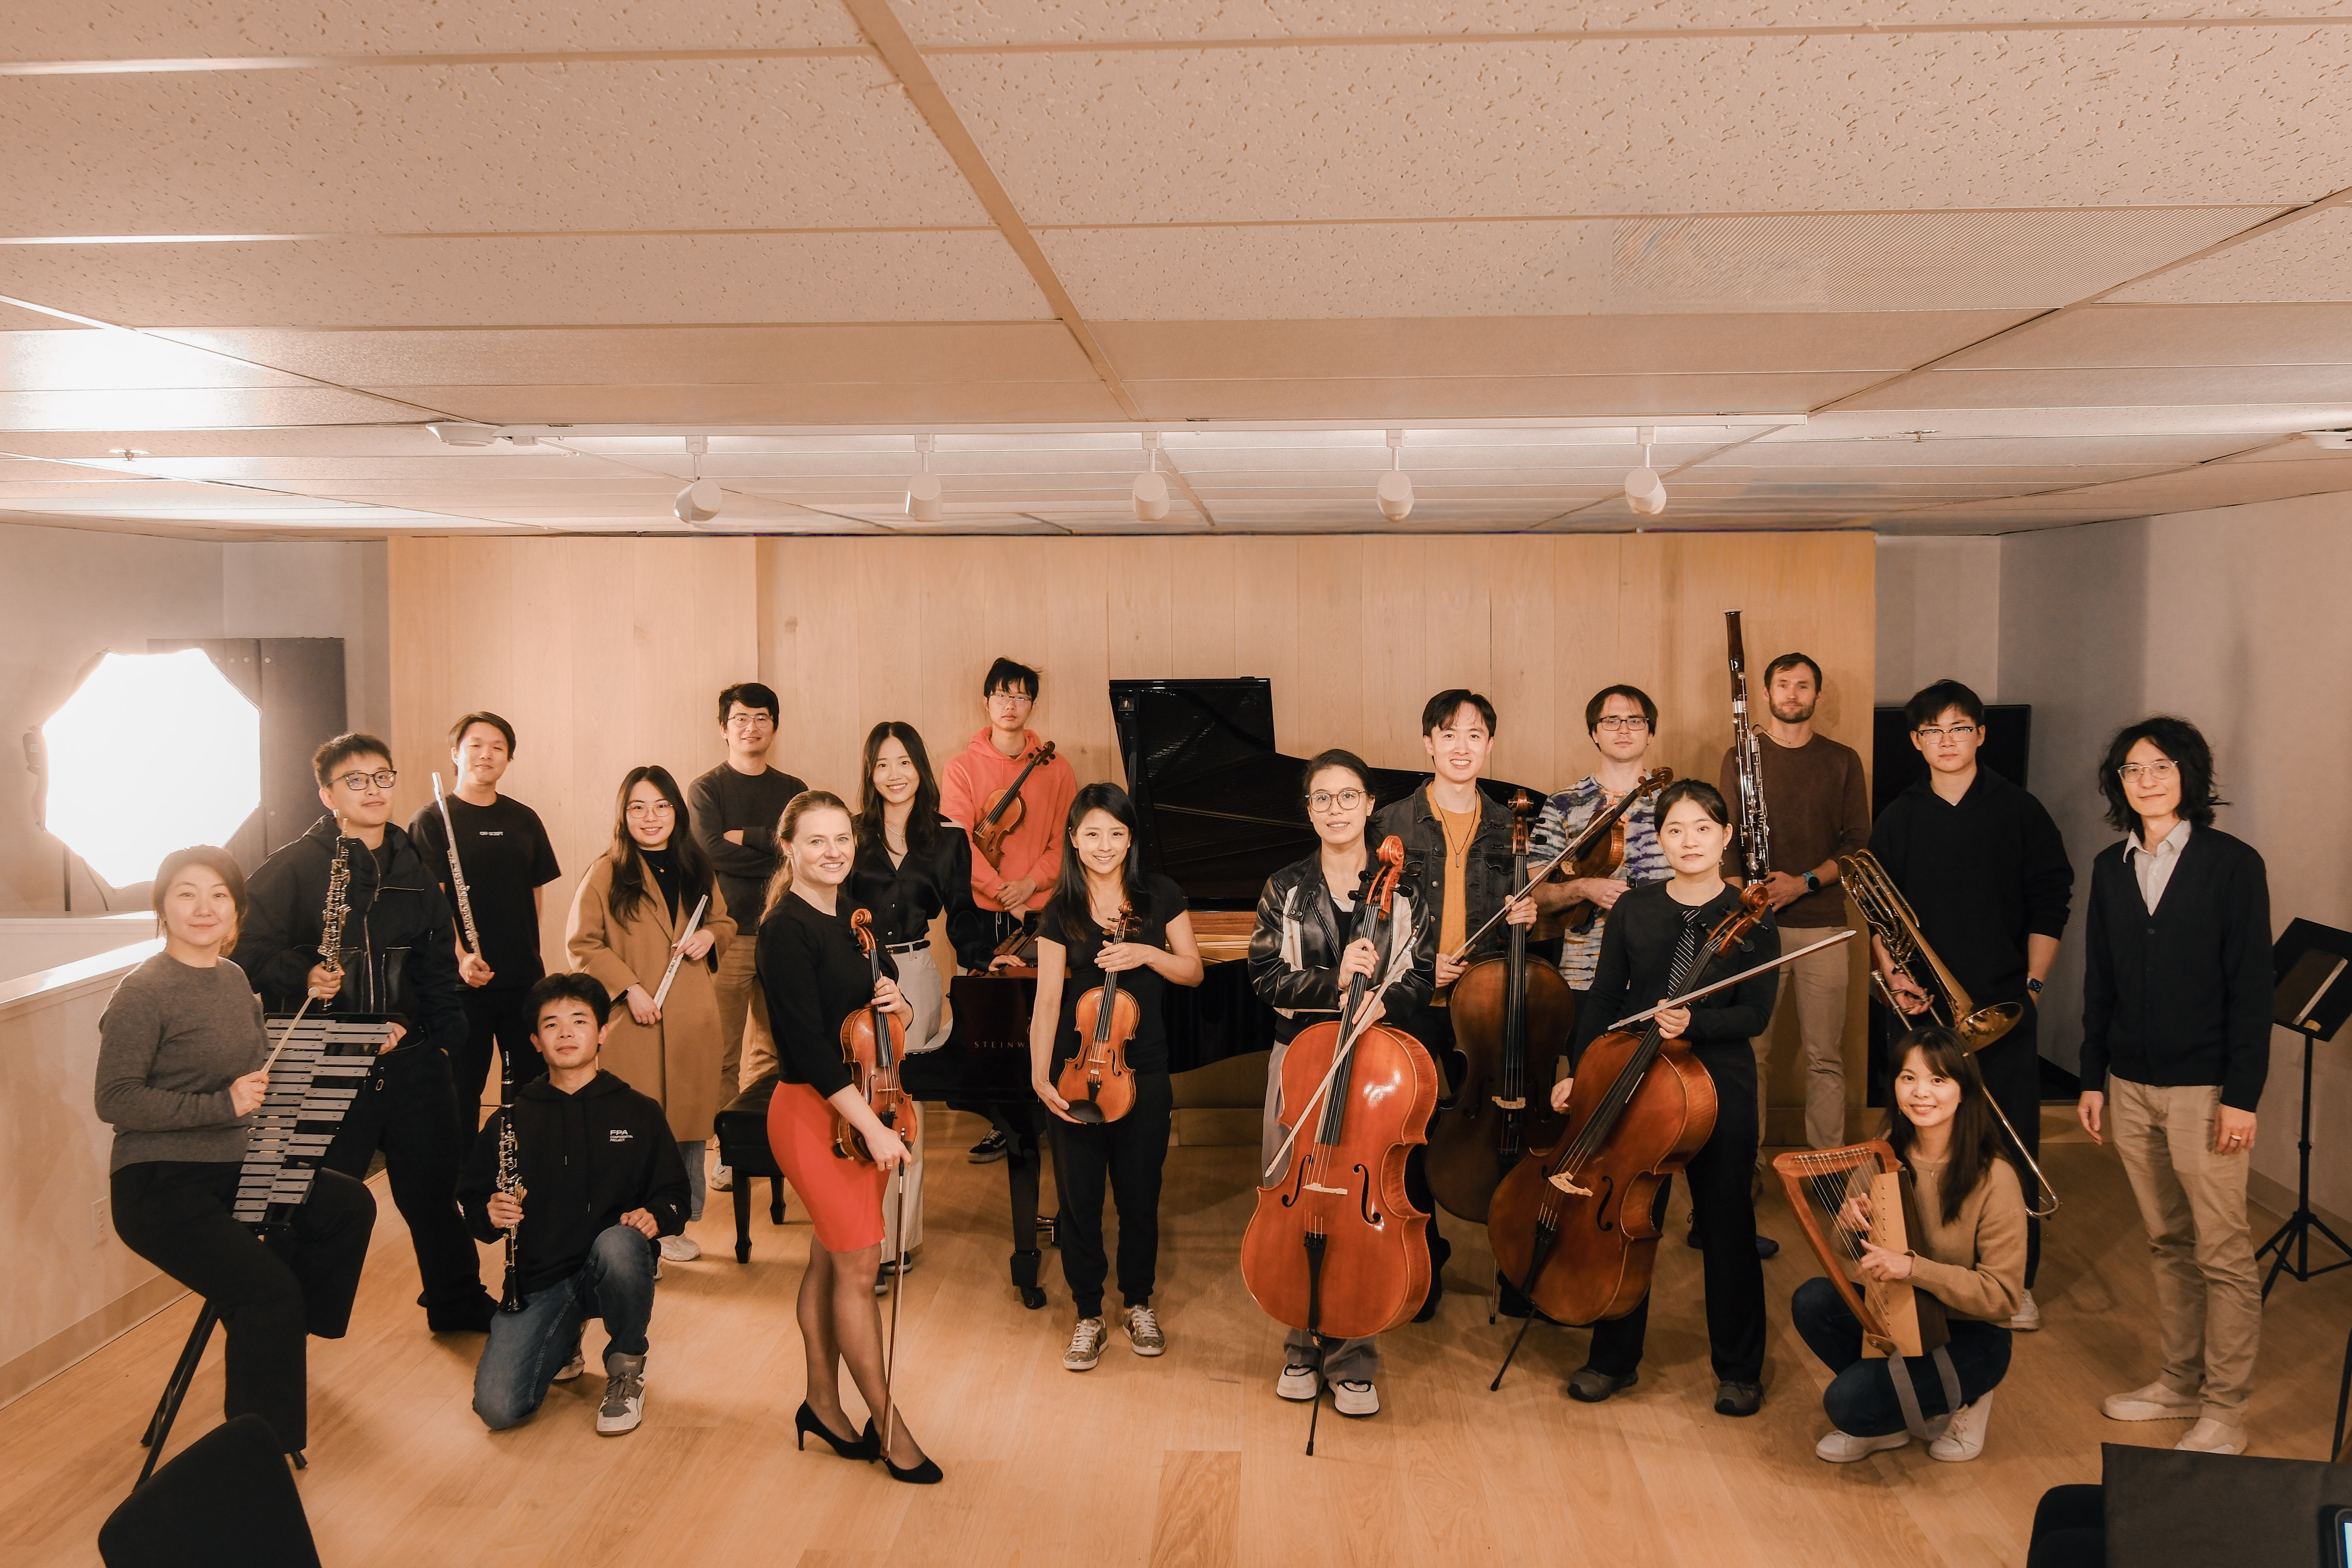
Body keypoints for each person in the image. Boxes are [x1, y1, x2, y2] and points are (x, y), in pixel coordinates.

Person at [96, 846, 376, 1460]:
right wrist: (221, 1106)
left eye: (219, 895)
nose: (204, 908)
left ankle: (278, 1330)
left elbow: (252, 1075)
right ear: (163, 908)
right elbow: (115, 1101)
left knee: (348, 1206)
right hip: (159, 1185)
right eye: (187, 894)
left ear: (236, 912)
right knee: (265, 1292)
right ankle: (257, 1461)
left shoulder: (234, 981)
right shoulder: (142, 992)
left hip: (234, 1167)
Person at [239, 733, 497, 1333]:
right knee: (311, 1197)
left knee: (434, 1190)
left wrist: (422, 1030)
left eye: (382, 777)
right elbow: (245, 947)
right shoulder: (293, 869)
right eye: (356, 780)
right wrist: (300, 972)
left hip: (408, 1061)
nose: (373, 790)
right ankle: (283, 1319)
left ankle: (457, 1301)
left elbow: (435, 970)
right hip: (323, 1062)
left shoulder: (414, 866)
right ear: (328, 794)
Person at [1552, 779, 1780, 1416]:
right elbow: (1604, 995)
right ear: (1660, 838)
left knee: (1727, 1226)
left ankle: (1739, 1370)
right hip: (1640, 1081)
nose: (1689, 842)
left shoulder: (1752, 915)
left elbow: (1755, 1016)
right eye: (1675, 830)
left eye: (1703, 830)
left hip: (1719, 1087)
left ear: (1726, 837)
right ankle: (1613, 1361)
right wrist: (1581, 1067)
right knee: (1630, 1220)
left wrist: (1695, 1025)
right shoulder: (1636, 908)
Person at [2077, 717, 2272, 1457]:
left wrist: (2244, 1096)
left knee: (2222, 1251)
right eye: (2132, 769)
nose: (2148, 779)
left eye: (2162, 766)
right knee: (2167, 1243)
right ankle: (2179, 1383)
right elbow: (2102, 981)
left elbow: (2252, 988)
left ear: (2190, 775)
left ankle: (2226, 1409)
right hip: (2128, 1085)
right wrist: (2091, 1077)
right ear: (2119, 785)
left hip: (2207, 1089)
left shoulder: (2232, 864)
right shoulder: (2109, 865)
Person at [1869, 679, 2073, 1332]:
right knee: (1919, 1138)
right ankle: (1923, 1267)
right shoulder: (1899, 814)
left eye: (1959, 729)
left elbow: (2052, 899)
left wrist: (2034, 986)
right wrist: (1892, 975)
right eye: (1932, 731)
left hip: (2003, 1005)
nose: (1946, 742)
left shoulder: (2020, 810)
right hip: (1925, 1014)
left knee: (2010, 1142)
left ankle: (2016, 1282)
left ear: (1981, 735)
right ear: (1915, 742)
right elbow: (1880, 910)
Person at [758, 790, 941, 1483]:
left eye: (841, 839)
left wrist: (900, 998)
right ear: (790, 849)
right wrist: (876, 1130)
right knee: (860, 1271)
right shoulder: (786, 928)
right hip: (814, 1116)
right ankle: (889, 1426)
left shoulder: (850, 920)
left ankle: (822, 1405)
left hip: (859, 1110)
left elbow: (880, 1011)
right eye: (816, 841)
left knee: (831, 1263)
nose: (832, 852)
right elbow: (806, 1048)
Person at [1246, 749, 1434, 1418]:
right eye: (1322, 799)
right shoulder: (1284, 887)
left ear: (1369, 804)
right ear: (1309, 810)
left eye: (1347, 797)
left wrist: (1386, 995)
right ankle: (1300, 1346)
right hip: (1298, 1059)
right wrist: (1334, 981)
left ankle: (1354, 1356)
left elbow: (1422, 975)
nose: (1335, 809)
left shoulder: (1405, 889)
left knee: (1362, 1202)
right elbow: (1265, 977)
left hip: (1372, 1064)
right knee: (1290, 1194)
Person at [461, 973, 690, 1437]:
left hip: (610, 1261)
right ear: (535, 1041)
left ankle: (626, 1368)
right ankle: (564, 1339)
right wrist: (489, 1213)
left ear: (603, 1032)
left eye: (579, 1020)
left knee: (621, 1245)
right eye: (551, 1024)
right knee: (498, 1408)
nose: (566, 1033)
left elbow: (675, 1196)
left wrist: (656, 1216)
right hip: (540, 1278)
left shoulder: (638, 1111)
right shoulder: (511, 1118)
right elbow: (472, 1197)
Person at [1027, 783, 1205, 1373]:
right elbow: (1048, 1002)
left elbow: (1193, 971)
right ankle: (1087, 1313)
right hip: (1076, 1077)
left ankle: (1138, 1301)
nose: (1105, 846)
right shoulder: (1060, 909)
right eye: (1092, 834)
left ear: (1131, 839)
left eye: (1117, 834)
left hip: (1144, 1069)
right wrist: (1038, 1074)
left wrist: (1146, 956)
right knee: (1079, 1199)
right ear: (1074, 840)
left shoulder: (1160, 896)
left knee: (1139, 1195)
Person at [1370, 688, 1535, 1317]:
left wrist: (1529, 913)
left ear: (1490, 746)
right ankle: (1425, 1259)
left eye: (1474, 735)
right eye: (1449, 733)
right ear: (1428, 744)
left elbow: (1521, 924)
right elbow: (1373, 919)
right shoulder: (1390, 822)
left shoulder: (1510, 824)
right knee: (1409, 1137)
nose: (1461, 746)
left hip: (1486, 1006)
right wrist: (1415, 964)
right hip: (1415, 1005)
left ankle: (1515, 1264)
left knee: (1504, 1134)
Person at [1795, 1026, 2026, 1465]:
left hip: (1972, 1332)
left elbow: (2004, 1295)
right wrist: (1847, 1224)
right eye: (1908, 1078)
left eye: (1938, 1080)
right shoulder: (1885, 1155)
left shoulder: (1995, 1177)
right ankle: (1891, 1422)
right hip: (1903, 1314)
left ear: (1965, 1091)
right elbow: (1846, 1250)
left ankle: (1968, 1400)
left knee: (1847, 1404)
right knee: (1813, 1300)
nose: (1921, 1092)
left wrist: (1913, 1268)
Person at [849, 720, 999, 1283]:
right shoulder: (851, 833)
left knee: (903, 1111)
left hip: (915, 973)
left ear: (920, 768)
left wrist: (985, 960)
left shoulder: (949, 837)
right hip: (857, 973)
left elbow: (962, 913)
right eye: (883, 764)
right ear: (871, 772)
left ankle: (899, 1242)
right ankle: (865, 1237)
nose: (895, 775)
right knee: (861, 1104)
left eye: (905, 763)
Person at [565, 765, 734, 1263]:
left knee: (686, 1130)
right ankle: (631, 1239)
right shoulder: (606, 871)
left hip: (692, 1022)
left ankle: (671, 1226)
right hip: (636, 1021)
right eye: (638, 806)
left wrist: (711, 936)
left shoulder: (697, 866)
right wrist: (629, 988)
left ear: (677, 812)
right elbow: (582, 944)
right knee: (632, 1133)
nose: (651, 816)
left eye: (662, 805)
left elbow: (724, 921)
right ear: (624, 815)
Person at [1719, 652, 1869, 1153]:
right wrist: (1751, 902)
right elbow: (1728, 843)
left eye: (1804, 686)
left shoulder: (1842, 759)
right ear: (1766, 693)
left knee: (1825, 1057)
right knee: (1750, 1053)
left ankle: (1825, 1168)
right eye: (1783, 685)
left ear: (1817, 696)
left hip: (1823, 926)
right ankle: (1749, 1169)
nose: (1792, 694)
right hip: (1756, 927)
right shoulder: (1741, 756)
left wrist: (1803, 883)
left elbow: (1857, 847)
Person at [942, 655, 1076, 1164]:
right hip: (983, 913)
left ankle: (1046, 1111)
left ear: (1032, 704)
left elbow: (1065, 840)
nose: (1011, 705)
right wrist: (1001, 888)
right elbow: (958, 843)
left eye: (1022, 696)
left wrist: (1030, 884)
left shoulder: (1055, 766)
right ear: (986, 700)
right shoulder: (962, 767)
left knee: (1043, 1019)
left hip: (1041, 910)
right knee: (992, 1027)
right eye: (1003, 695)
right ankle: (1002, 1122)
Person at [408, 710, 563, 1137]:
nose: (486, 754)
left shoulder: (524, 819)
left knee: (535, 1085)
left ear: (509, 758)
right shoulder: (431, 820)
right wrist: (460, 956)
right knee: (462, 1091)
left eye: (498, 747)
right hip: (463, 985)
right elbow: (434, 901)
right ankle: (463, 1190)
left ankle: (527, 1179)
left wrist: (527, 951)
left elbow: (535, 892)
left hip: (522, 979)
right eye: (476, 745)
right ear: (456, 753)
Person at [687, 680, 807, 1187]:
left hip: (784, 932)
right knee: (724, 1046)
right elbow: (710, 851)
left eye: (761, 718)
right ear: (723, 728)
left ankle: (769, 1140)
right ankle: (725, 1148)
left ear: (774, 727)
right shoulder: (706, 789)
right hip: (728, 934)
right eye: (741, 719)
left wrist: (751, 839)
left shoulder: (792, 790)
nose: (751, 727)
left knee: (775, 1047)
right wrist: (770, 847)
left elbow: (798, 850)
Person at [1531, 684, 1669, 995]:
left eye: (1636, 720)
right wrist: (1583, 888)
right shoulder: (1563, 804)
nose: (1624, 729)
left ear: (1650, 733)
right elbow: (1535, 893)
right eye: (1611, 721)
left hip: (1665, 971)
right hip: (1586, 974)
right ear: (1594, 733)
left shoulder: (1675, 804)